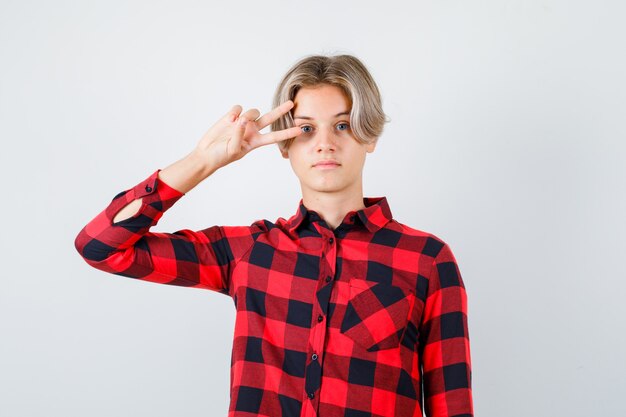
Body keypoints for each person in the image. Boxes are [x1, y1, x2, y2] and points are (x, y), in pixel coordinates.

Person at [75, 54, 474, 417]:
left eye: (342, 125)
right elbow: (100, 246)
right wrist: (204, 161)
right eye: (305, 128)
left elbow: (452, 405)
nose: (324, 144)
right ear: (284, 145)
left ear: (368, 136)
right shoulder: (248, 252)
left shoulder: (427, 259)